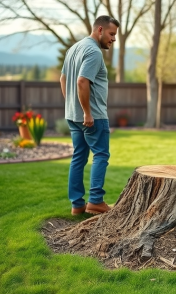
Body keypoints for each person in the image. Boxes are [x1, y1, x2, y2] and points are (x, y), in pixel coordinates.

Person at [60, 15, 119, 216]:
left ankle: (77, 205)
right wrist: (87, 112)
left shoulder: (73, 49)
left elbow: (63, 78)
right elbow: (82, 81)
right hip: (92, 116)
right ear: (100, 30)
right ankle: (95, 201)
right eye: (111, 34)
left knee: (78, 157)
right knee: (101, 155)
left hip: (73, 116)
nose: (113, 39)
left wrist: (71, 105)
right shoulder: (94, 52)